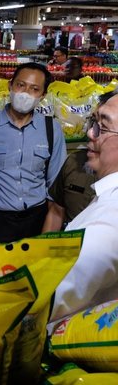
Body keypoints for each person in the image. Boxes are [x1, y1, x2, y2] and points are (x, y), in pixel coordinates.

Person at [0, 62, 67, 243]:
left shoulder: (52, 129)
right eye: (21, 85)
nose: (26, 93)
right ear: (10, 86)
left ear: (42, 96)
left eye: (34, 89)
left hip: (37, 218)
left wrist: (47, 236)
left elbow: (56, 186)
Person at [50, 89, 118, 321]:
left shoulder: (107, 220)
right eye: (93, 122)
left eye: (103, 127)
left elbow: (49, 297)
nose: (90, 133)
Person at [42, 148, 96, 232]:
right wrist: (45, 244)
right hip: (70, 240)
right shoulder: (74, 161)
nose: (90, 135)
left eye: (102, 133)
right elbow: (57, 212)